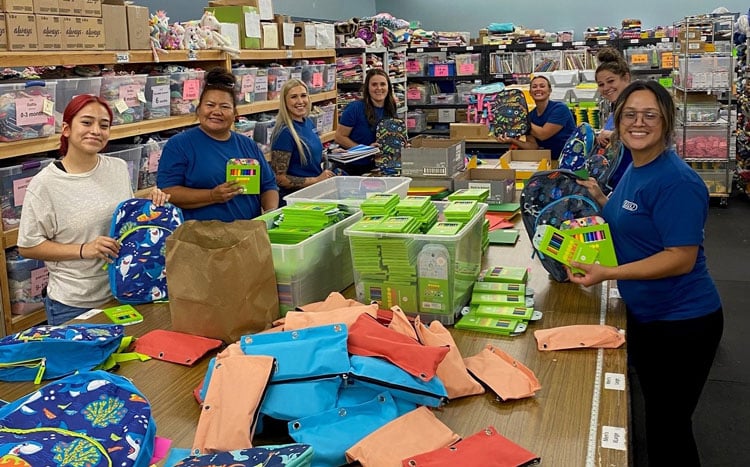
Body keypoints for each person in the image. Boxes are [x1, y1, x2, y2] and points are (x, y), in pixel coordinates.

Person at [568, 80, 723, 467]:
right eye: (630, 115)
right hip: (649, 315)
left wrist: (609, 272)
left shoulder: (677, 181)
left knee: (670, 428)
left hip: (684, 322)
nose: (638, 123)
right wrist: (600, 198)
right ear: (618, 121)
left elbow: (680, 258)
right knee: (656, 417)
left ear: (667, 122)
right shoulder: (638, 168)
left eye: (649, 115)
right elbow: (632, 218)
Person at [17, 94, 170, 325]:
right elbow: (28, 246)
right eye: (87, 123)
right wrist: (84, 250)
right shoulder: (45, 184)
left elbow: (124, 224)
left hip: (124, 290)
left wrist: (149, 206)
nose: (96, 130)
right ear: (67, 129)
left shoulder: (117, 168)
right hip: (74, 303)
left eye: (104, 125)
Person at [157, 67, 279, 221]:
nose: (217, 111)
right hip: (200, 239)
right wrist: (212, 196)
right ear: (199, 109)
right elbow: (167, 192)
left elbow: (268, 186)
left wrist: (270, 212)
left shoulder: (247, 144)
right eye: (210, 105)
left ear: (235, 113)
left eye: (225, 106)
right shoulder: (180, 145)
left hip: (248, 235)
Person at [270, 79, 335, 202]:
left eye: (303, 95)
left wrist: (333, 152)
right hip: (296, 200)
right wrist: (316, 180)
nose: (300, 101)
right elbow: (279, 178)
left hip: (314, 194)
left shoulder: (308, 122)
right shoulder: (284, 133)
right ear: (284, 101)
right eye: (293, 97)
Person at [496, 75, 576, 161]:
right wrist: (512, 140)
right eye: (534, 87)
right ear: (530, 92)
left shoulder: (560, 109)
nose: (538, 89)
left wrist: (520, 118)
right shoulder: (531, 116)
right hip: (548, 160)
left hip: (569, 160)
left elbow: (543, 134)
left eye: (542, 86)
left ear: (549, 91)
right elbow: (533, 146)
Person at [335, 68, 399, 175]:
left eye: (383, 84)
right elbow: (339, 137)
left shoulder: (391, 108)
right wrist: (365, 150)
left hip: (379, 166)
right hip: (353, 167)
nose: (379, 88)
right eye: (374, 85)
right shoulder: (354, 108)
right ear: (367, 88)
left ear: (388, 87)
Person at [595, 46, 633, 190]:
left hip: (631, 178)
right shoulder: (617, 106)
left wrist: (613, 135)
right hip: (616, 179)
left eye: (611, 81)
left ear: (626, 77)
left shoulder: (635, 106)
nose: (606, 88)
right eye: (601, 85)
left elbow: (642, 137)